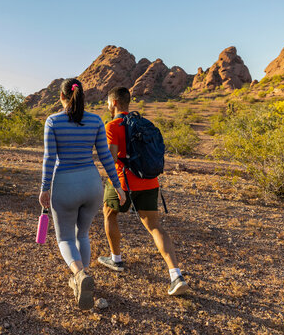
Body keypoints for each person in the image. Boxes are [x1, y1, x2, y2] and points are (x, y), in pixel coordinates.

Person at [39, 78, 126, 310]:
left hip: (65, 184)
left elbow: (49, 158)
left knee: (65, 237)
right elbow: (106, 157)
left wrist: (44, 188)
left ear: (61, 97)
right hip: (91, 184)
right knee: (83, 234)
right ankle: (84, 277)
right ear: (81, 96)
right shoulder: (96, 120)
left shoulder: (53, 121)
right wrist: (117, 186)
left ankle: (79, 275)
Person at [97, 86, 188, 296]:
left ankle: (116, 259)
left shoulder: (112, 125)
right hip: (149, 181)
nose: (108, 106)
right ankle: (176, 275)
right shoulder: (144, 123)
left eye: (108, 103)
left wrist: (115, 185)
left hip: (122, 182)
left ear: (114, 103)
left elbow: (111, 158)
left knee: (109, 215)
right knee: (155, 227)